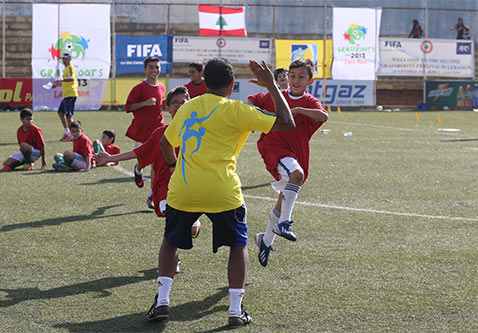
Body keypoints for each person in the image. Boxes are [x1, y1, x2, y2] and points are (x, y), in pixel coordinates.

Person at [147, 58, 294, 327]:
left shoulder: (189, 106)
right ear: (232, 84)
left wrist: (173, 165)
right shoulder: (238, 110)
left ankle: (163, 301)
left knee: (171, 241)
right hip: (223, 190)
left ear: (205, 82)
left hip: (184, 187)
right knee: (238, 245)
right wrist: (272, 85)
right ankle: (235, 310)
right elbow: (287, 122)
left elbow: (165, 143)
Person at [97, 86, 200, 273]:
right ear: (167, 108)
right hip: (164, 188)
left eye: (184, 102)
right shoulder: (160, 133)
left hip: (190, 187)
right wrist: (110, 158)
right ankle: (172, 260)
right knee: (173, 222)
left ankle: (186, 236)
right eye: (175, 103)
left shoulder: (198, 131)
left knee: (185, 226)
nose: (180, 106)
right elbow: (139, 151)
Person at [248, 58, 328, 267]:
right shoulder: (278, 96)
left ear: (310, 81)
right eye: (292, 76)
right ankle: (284, 223)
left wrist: (299, 110)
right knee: (296, 175)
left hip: (297, 153)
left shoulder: (309, 102)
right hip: (273, 147)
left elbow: (323, 117)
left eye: (301, 77)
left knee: (285, 197)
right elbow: (251, 102)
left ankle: (265, 240)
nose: (295, 80)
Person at [125, 56, 166, 209]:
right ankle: (138, 169)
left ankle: (152, 196)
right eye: (151, 67)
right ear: (144, 69)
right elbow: (128, 107)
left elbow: (159, 107)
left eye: (157, 67)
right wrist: (145, 103)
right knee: (144, 160)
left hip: (158, 130)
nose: (154, 70)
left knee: (157, 163)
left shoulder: (162, 87)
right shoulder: (139, 88)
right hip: (142, 132)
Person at [52, 53, 78, 142]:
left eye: (66, 59)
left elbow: (71, 78)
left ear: (70, 59)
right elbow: (66, 82)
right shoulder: (66, 69)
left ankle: (73, 134)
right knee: (60, 113)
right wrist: (57, 85)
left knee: (68, 116)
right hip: (67, 95)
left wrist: (61, 80)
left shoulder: (70, 68)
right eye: (63, 59)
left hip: (71, 94)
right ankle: (67, 131)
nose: (64, 60)